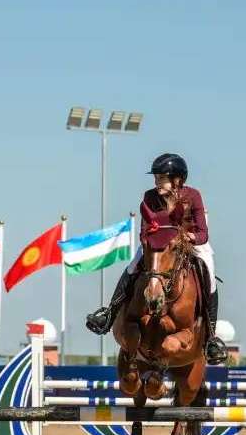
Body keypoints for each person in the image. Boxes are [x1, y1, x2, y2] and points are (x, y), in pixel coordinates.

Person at [85, 153, 228, 365]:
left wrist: (189, 237)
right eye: (156, 178)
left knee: (208, 270)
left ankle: (211, 338)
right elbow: (144, 231)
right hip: (156, 245)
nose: (156, 182)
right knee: (133, 266)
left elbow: (203, 233)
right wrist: (149, 242)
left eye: (161, 177)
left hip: (190, 244)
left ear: (177, 179)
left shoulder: (193, 196)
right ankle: (109, 313)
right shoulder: (149, 197)